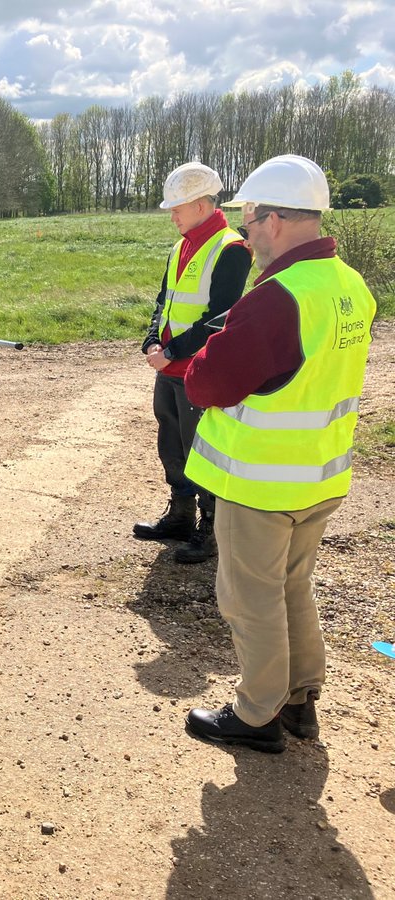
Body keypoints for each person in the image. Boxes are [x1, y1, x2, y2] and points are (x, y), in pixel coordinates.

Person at [183, 155, 376, 753]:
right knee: (293, 586)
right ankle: (299, 699)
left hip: (261, 483)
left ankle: (257, 714)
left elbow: (209, 384)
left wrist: (202, 357)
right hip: (319, 476)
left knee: (250, 597)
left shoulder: (277, 296)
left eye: (247, 219)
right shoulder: (348, 283)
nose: (243, 233)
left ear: (274, 218)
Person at [134, 162, 251, 563]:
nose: (172, 214)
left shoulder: (231, 248)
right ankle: (180, 516)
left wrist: (172, 350)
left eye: (178, 206)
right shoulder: (180, 245)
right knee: (171, 444)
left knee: (201, 450)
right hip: (168, 370)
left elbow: (222, 316)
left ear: (202, 204)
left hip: (198, 371)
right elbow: (163, 303)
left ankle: (210, 529)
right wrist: (152, 339)